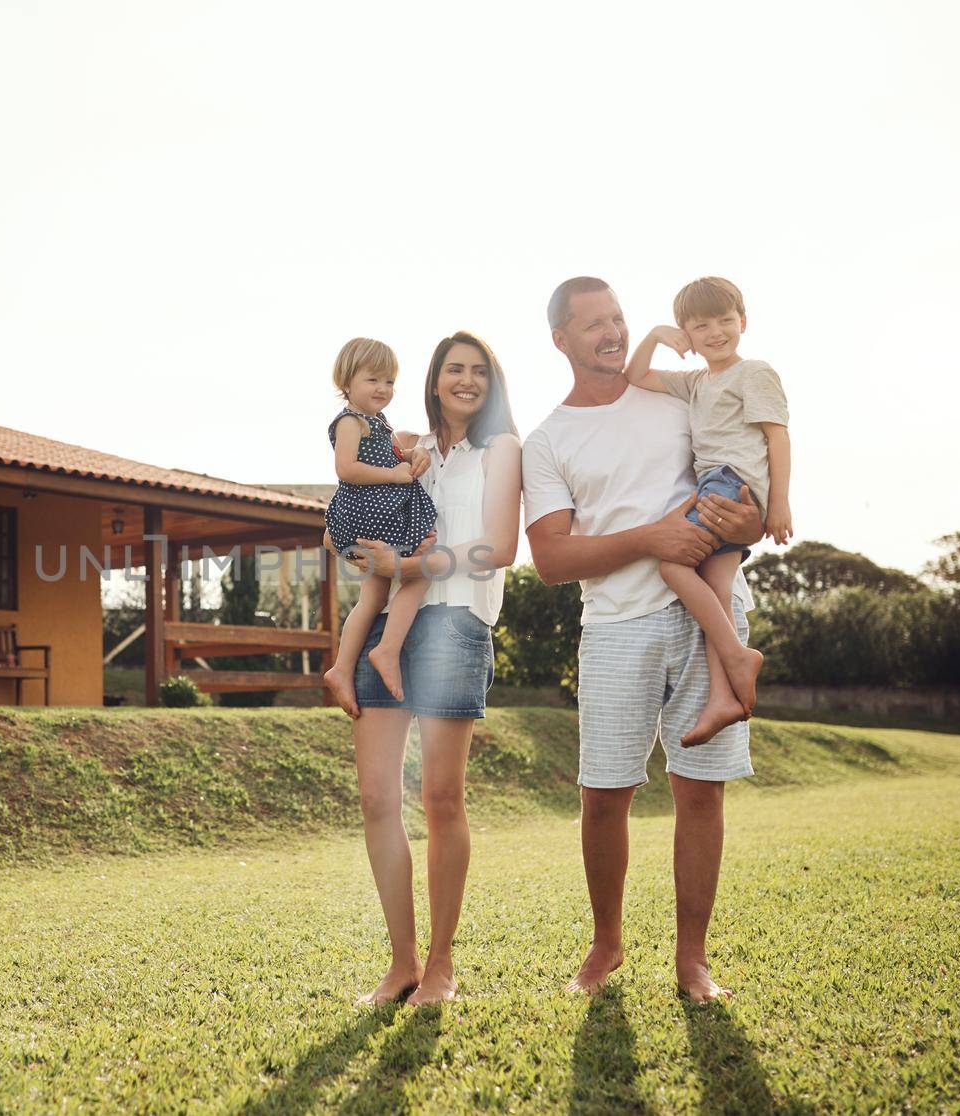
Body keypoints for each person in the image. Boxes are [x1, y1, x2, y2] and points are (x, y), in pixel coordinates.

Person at [522, 278, 764, 1003]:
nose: (613, 332)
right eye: (593, 324)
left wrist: (751, 521)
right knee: (604, 795)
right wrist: (650, 538)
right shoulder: (547, 440)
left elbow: (741, 497)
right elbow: (553, 561)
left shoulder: (674, 397)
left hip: (708, 616)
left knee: (702, 793)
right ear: (561, 339)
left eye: (618, 318)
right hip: (617, 626)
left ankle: (693, 962)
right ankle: (606, 945)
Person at [334, 331, 521, 1007]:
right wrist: (369, 560)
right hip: (389, 623)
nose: (466, 380)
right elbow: (360, 505)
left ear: (489, 383)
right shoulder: (406, 447)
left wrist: (408, 569)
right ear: (435, 380)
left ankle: (441, 964)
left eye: (478, 371)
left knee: (441, 801)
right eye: (453, 370)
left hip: (455, 622)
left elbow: (499, 548)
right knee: (377, 800)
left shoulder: (501, 449)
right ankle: (402, 963)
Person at [625, 277, 792, 745]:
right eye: (701, 326)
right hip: (716, 484)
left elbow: (777, 436)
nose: (716, 332)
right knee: (717, 587)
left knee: (673, 564)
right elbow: (636, 376)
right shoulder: (697, 381)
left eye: (725, 320)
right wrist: (658, 335)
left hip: (729, 484)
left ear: (743, 321)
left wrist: (777, 502)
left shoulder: (753, 372)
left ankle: (739, 657)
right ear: (688, 335)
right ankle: (723, 695)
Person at [321, 338, 438, 714]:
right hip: (369, 514)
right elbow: (346, 469)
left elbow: (398, 449)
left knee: (373, 595)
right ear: (347, 381)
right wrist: (395, 474)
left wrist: (410, 453)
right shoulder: (350, 422)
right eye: (373, 380)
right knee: (419, 573)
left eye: (389, 382)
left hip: (375, 514)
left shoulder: (378, 423)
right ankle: (386, 649)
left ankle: (341, 668)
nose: (383, 390)